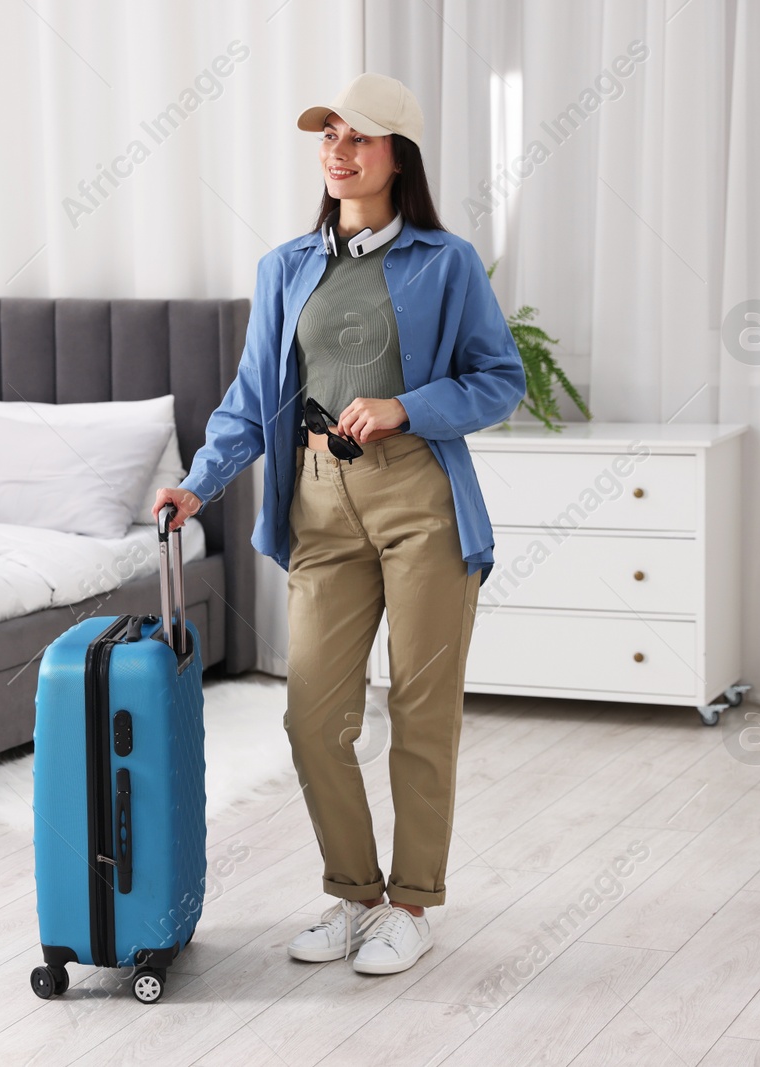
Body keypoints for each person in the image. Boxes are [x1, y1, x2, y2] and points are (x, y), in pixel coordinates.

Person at [152, 72, 525, 976]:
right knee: (313, 718)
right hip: (318, 505)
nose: (337, 151)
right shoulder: (286, 266)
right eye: (328, 137)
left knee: (421, 713)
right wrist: (197, 482)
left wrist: (405, 407)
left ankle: (412, 904)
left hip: (420, 502)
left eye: (358, 137)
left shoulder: (447, 262)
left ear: (398, 157)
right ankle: (353, 894)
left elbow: (498, 377)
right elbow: (251, 400)